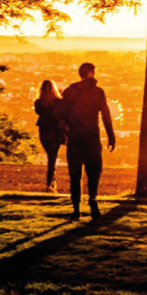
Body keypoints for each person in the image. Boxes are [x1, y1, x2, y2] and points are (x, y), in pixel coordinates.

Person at [55, 61, 116, 220]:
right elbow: (105, 115)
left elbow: (59, 112)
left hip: (74, 138)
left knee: (75, 174)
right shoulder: (98, 92)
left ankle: (76, 208)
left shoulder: (69, 92)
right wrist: (111, 136)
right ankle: (93, 200)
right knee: (94, 171)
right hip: (92, 137)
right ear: (90, 74)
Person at [33, 80, 65, 192]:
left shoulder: (39, 102)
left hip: (44, 132)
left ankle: (51, 183)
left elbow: (38, 112)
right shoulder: (58, 101)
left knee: (51, 158)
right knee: (52, 158)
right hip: (54, 132)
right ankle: (50, 183)